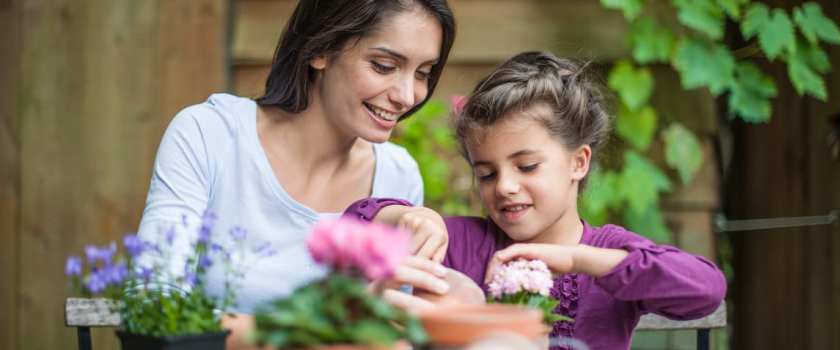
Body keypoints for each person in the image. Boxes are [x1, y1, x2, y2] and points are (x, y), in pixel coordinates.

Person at [345, 51, 727, 350]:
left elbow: (706, 290)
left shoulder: (608, 252)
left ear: (578, 162)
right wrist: (404, 217)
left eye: (526, 166)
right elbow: (349, 228)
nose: (505, 186)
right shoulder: (459, 242)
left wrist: (579, 260)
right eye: (487, 173)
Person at [135, 0, 455, 346]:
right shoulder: (209, 135)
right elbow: (154, 304)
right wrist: (319, 334)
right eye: (383, 66)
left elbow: (395, 328)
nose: (407, 96)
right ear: (320, 49)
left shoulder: (398, 174)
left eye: (423, 74)